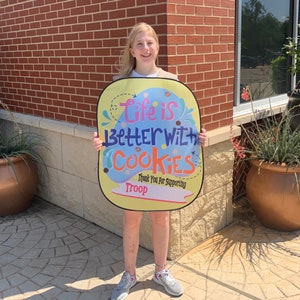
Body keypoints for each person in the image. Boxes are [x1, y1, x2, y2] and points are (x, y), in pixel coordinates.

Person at [93, 22, 207, 300]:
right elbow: (113, 128)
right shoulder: (121, 86)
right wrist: (101, 143)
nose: (146, 48)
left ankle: (161, 271)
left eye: (150, 43)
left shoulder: (172, 80)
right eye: (140, 44)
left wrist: (197, 138)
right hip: (133, 164)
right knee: (131, 219)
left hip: (162, 165)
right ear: (131, 50)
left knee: (161, 217)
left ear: (157, 46)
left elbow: (183, 122)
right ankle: (129, 275)